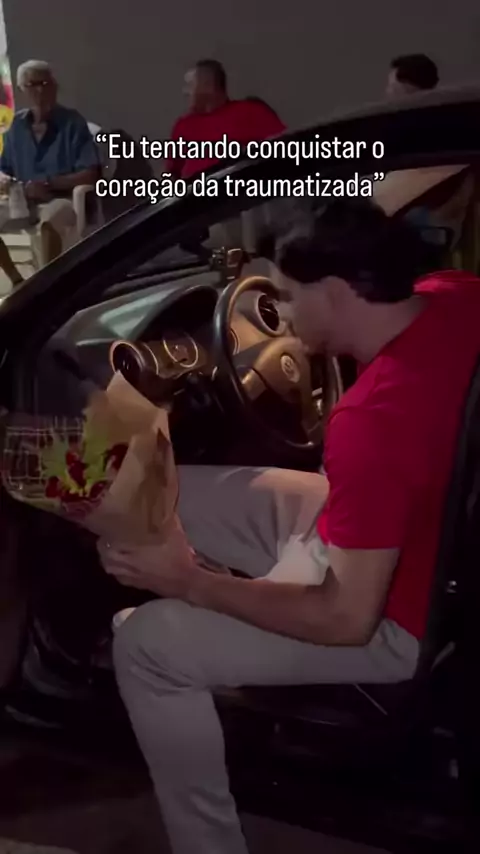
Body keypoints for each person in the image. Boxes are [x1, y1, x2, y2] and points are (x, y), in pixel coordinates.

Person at [101, 199, 480, 854]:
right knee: (166, 489)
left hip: (399, 621)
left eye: (286, 296)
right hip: (418, 541)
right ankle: (222, 614)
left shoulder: (372, 423)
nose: (281, 313)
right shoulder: (456, 295)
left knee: (146, 646)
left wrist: (189, 583)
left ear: (335, 290)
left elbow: (347, 620)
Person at [0, 60, 100, 263]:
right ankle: (16, 278)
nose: (40, 90)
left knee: (49, 222)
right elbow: (4, 168)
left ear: (55, 87)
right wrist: (5, 180)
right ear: (21, 90)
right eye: (32, 85)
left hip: (61, 199)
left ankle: (48, 279)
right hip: (23, 201)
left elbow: (91, 174)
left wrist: (48, 183)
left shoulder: (72, 123)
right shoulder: (16, 126)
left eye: (45, 84)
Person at [166, 59, 285, 180]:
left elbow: (284, 149)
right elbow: (172, 174)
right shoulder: (183, 125)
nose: (185, 92)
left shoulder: (251, 112)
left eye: (190, 85)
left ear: (207, 85)